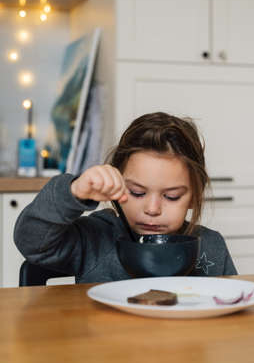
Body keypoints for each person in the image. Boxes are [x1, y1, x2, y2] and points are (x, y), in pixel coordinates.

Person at [14, 112, 237, 283]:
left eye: (171, 196)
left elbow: (233, 313)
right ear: (118, 182)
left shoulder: (211, 247)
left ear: (194, 196)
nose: (152, 209)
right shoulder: (95, 237)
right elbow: (32, 242)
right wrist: (73, 192)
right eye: (137, 192)